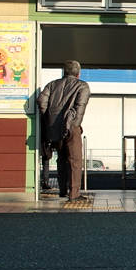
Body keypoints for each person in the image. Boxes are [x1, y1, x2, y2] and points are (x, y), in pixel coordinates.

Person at [37, 60, 91, 202]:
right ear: (78, 73)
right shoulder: (82, 86)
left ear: (64, 71)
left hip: (55, 126)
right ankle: (74, 194)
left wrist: (49, 117)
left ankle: (62, 190)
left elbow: (41, 101)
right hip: (72, 127)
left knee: (61, 158)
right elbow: (80, 106)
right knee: (75, 160)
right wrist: (74, 123)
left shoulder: (52, 85)